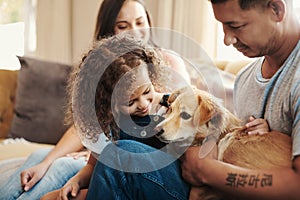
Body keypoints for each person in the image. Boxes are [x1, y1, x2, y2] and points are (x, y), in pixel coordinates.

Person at [51, 0, 299, 199]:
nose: (227, 39)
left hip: (209, 180)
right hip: (204, 175)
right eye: (222, 26)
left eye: (235, 25)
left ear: (276, 9)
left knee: (123, 154)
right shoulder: (245, 78)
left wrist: (207, 171)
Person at [42, 34, 190, 200]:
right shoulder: (112, 125)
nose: (142, 104)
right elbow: (92, 166)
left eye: (147, 91)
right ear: (109, 104)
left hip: (171, 187)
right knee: (49, 198)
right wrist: (75, 181)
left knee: (119, 151)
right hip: (133, 187)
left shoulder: (172, 108)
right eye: (130, 102)